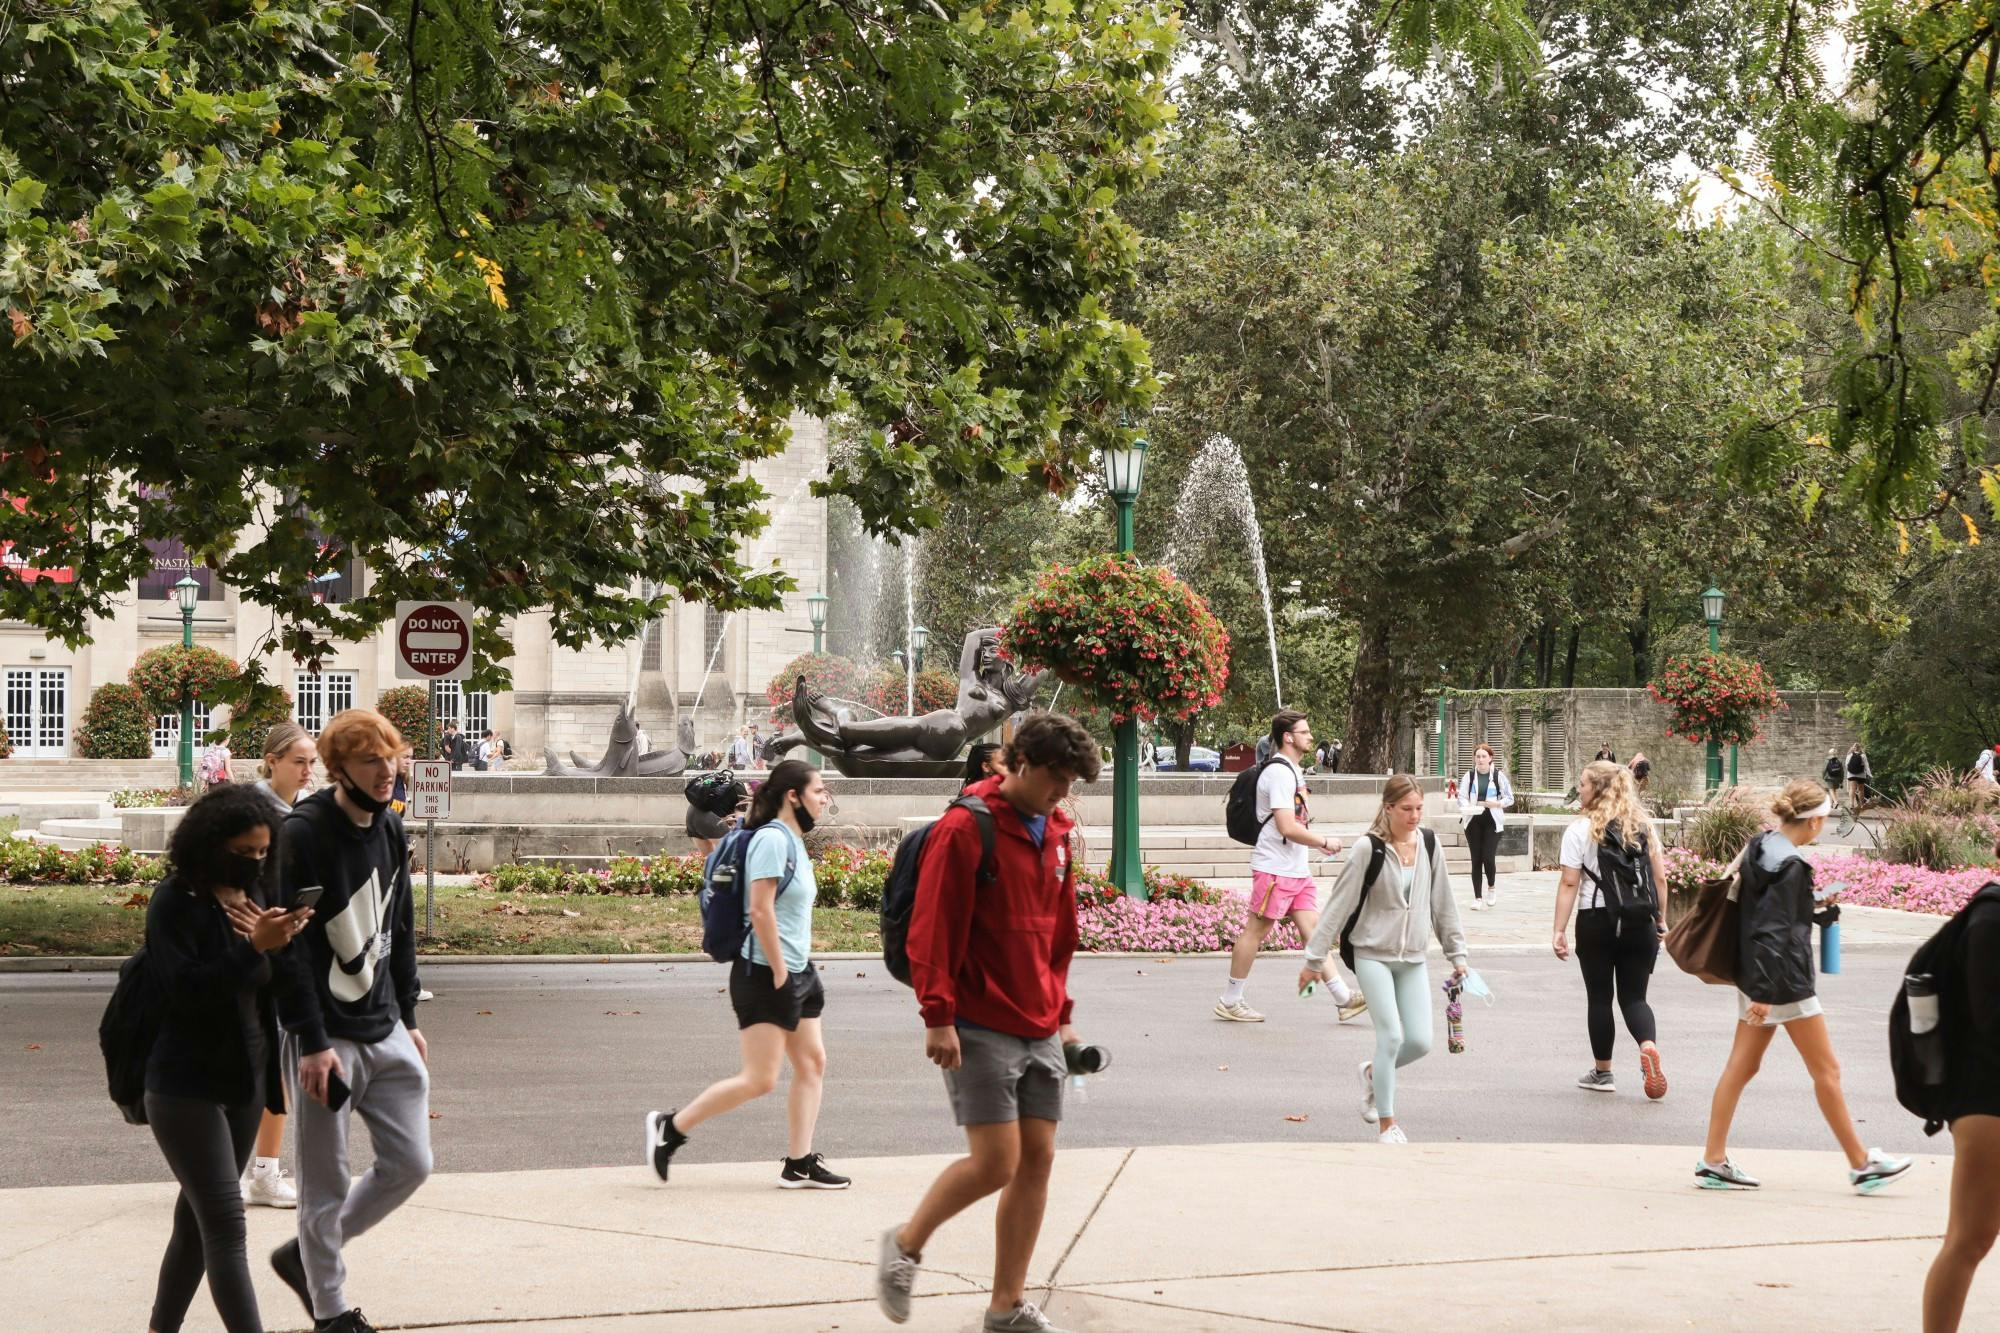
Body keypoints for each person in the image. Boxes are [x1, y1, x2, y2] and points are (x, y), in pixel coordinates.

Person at [875, 713, 1099, 1332]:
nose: (1064, 793)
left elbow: (1059, 935)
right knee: (997, 1160)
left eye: (1072, 783)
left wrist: (1063, 1017)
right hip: (976, 1017)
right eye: (1057, 779)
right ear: (1020, 763)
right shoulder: (966, 828)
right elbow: (932, 930)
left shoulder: (1054, 832)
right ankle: (906, 1244)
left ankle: (1005, 1305)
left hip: (1037, 1017)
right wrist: (937, 1016)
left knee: (1039, 1158)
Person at [271, 709, 433, 1333]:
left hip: (386, 1025)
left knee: (411, 1164)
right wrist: (310, 1043)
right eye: (370, 760)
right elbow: (286, 951)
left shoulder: (390, 830)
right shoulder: (303, 833)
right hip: (327, 1039)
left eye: (390, 756)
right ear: (338, 769)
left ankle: (306, 1256)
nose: (386, 770)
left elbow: (399, 926)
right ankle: (332, 1312)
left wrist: (410, 1013)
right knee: (326, 1181)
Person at [143, 784, 310, 1333]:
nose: (255, 863)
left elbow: (274, 986)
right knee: (225, 1224)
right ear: (210, 844)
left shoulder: (257, 896)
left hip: (245, 1080)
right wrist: (252, 948)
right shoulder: (176, 902)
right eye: (244, 854)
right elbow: (185, 991)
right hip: (184, 1084)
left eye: (264, 852)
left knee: (195, 1222)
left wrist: (283, 943)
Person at [1695, 779, 1911, 1194]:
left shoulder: (1762, 845)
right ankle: (1862, 1164)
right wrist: (1764, 994)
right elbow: (1774, 931)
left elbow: (1764, 912)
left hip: (1756, 975)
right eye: (1825, 820)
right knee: (1826, 1070)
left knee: (1741, 1067)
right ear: (1813, 822)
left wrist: (1813, 904)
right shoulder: (1792, 864)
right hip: (1783, 982)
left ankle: (1713, 1160)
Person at [645, 760, 849, 1191]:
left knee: (813, 1063)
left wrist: (795, 968)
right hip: (765, 971)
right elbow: (760, 908)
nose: (824, 797)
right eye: (819, 790)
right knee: (759, 1078)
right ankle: (670, 1127)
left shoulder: (791, 838)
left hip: (797, 970)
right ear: (793, 796)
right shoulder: (774, 841)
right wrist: (779, 970)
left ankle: (799, 1163)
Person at [1300, 775, 1468, 1144]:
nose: (1414, 816)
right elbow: (1337, 907)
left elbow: (1443, 903)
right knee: (1391, 1036)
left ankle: (1374, 1073)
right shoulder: (1368, 849)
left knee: (1421, 1041)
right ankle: (1388, 1124)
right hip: (1372, 954)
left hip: (1412, 957)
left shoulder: (1428, 844)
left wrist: (1458, 954)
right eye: (1406, 809)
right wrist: (1314, 961)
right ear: (1388, 808)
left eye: (1419, 809)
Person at [1216, 711, 1361, 1023]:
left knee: (1315, 932)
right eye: (1304, 732)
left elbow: (1294, 823)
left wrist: (1314, 844)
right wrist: (1323, 840)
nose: (1310, 736)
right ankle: (1230, 1000)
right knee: (1256, 931)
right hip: (1275, 869)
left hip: (1294, 869)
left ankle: (1343, 997)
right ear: (1288, 737)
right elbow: (1286, 826)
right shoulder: (1279, 774)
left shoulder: (1293, 771)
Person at [1552, 761, 1668, 1099]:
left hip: (1597, 919)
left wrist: (1558, 930)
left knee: (1600, 998)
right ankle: (1647, 1045)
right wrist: (1660, 920)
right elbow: (1659, 878)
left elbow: (1569, 882)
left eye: (1584, 784)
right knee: (1635, 998)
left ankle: (1603, 1073)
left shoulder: (1579, 830)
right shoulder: (1643, 826)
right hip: (1639, 920)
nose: (1580, 790)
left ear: (1598, 789)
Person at [238, 722, 318, 1211]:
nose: (309, 771)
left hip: (281, 945)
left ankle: (260, 1168)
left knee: (275, 1067)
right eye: (299, 762)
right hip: (255, 947)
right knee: (262, 1067)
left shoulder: (298, 812)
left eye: (313, 762)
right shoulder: (255, 812)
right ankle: (252, 1170)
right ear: (271, 760)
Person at [1922, 834, 2000, 1332]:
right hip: (1987, 1101)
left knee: (1970, 1237)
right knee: (1969, 1238)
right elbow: (1990, 1018)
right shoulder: (1991, 919)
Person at [1457, 742, 1511, 911]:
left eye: (1483, 756)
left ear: (1490, 758)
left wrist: (1496, 804)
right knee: (1476, 859)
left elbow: (1510, 798)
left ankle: (1491, 889)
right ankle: (1477, 898)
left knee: (1488, 857)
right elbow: (1461, 797)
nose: (1480, 759)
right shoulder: (1469, 776)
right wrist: (1467, 806)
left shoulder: (1498, 776)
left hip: (1492, 820)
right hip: (1473, 819)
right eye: (1478, 756)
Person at [1846, 743, 1872, 810]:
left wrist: (1849, 772)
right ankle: (1861, 804)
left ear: (1853, 748)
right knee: (1861, 790)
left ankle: (1852, 804)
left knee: (1852, 789)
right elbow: (1866, 766)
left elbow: (1846, 765)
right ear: (1860, 748)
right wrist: (1869, 774)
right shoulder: (1863, 755)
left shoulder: (1849, 755)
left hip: (1851, 774)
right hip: (1861, 774)